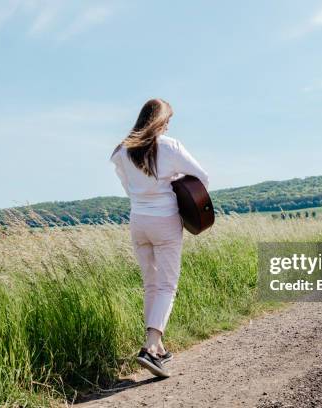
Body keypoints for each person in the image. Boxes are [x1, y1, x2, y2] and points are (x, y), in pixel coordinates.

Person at [110, 98, 209, 378]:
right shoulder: (169, 146)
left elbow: (129, 189)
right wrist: (173, 178)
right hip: (165, 221)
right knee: (167, 285)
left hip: (138, 221)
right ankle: (151, 347)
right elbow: (203, 178)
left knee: (151, 285)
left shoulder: (122, 151)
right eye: (167, 121)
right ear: (160, 120)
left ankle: (160, 349)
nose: (167, 126)